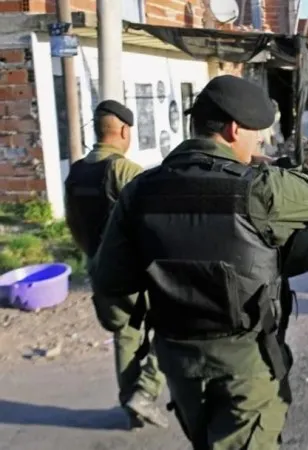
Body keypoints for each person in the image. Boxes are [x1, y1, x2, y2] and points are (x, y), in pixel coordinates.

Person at [89, 74, 308, 449]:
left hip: (178, 361)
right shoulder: (261, 189)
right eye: (256, 132)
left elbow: (111, 287)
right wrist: (281, 169)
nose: (260, 140)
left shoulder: (138, 192)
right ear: (232, 129)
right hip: (245, 364)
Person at [63, 100, 168, 430]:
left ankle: (130, 404)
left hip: (99, 272)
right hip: (134, 276)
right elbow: (159, 222)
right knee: (174, 325)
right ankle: (147, 392)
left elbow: (74, 225)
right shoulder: (124, 171)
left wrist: (95, 259)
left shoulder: (76, 172)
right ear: (124, 131)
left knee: (126, 334)